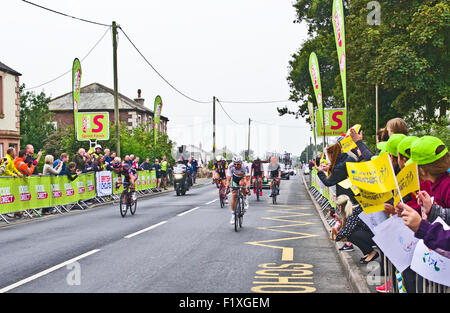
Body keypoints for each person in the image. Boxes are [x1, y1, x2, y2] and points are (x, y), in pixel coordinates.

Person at [335, 195, 379, 264]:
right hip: (372, 233)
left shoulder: (354, 211)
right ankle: (369, 252)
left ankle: (371, 253)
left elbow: (347, 230)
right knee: (351, 233)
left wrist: (336, 237)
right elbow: (348, 226)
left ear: (340, 207)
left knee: (351, 235)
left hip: (375, 235)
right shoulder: (353, 209)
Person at [226, 155, 250, 225]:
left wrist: (247, 188)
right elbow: (228, 179)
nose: (236, 165)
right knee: (234, 194)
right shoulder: (230, 166)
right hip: (235, 178)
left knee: (242, 184)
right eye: (235, 164)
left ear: (241, 163)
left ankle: (245, 199)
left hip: (243, 177)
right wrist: (228, 187)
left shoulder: (245, 166)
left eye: (238, 164)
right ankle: (233, 214)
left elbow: (248, 179)